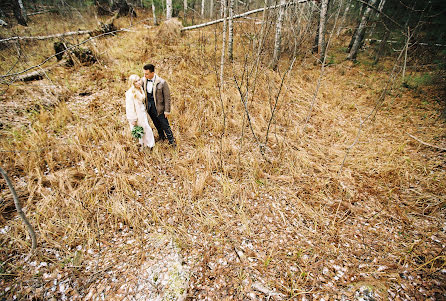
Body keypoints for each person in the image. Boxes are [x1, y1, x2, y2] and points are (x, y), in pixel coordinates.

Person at [142, 64, 176, 146]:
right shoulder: (144, 80)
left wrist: (167, 110)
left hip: (159, 108)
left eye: (147, 74)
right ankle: (162, 137)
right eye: (144, 73)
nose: (145, 75)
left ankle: (172, 141)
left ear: (152, 73)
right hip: (149, 107)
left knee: (165, 124)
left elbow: (167, 98)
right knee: (156, 123)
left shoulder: (162, 82)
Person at [125, 74, 155, 149]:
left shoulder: (140, 89)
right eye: (136, 81)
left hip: (142, 112)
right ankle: (147, 145)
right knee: (142, 129)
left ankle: (148, 145)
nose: (138, 82)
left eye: (139, 80)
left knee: (145, 128)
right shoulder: (130, 93)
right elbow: (129, 108)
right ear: (132, 83)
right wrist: (133, 119)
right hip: (137, 114)